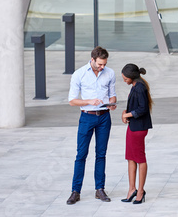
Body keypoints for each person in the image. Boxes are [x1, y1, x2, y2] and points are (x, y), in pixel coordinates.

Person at [66, 46, 117, 205]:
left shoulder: (110, 73)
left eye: (104, 64)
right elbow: (72, 101)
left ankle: (100, 189)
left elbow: (112, 95)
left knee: (101, 154)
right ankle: (76, 191)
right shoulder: (79, 74)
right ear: (92, 59)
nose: (102, 67)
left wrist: (112, 103)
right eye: (100, 64)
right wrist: (89, 101)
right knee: (81, 154)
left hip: (104, 117)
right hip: (87, 117)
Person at [120, 64, 153, 204]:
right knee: (130, 157)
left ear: (132, 77)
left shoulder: (139, 88)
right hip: (133, 127)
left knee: (139, 158)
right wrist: (125, 113)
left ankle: (140, 190)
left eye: (125, 78)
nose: (124, 81)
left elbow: (142, 109)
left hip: (138, 128)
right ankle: (132, 189)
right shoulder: (135, 85)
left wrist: (127, 114)